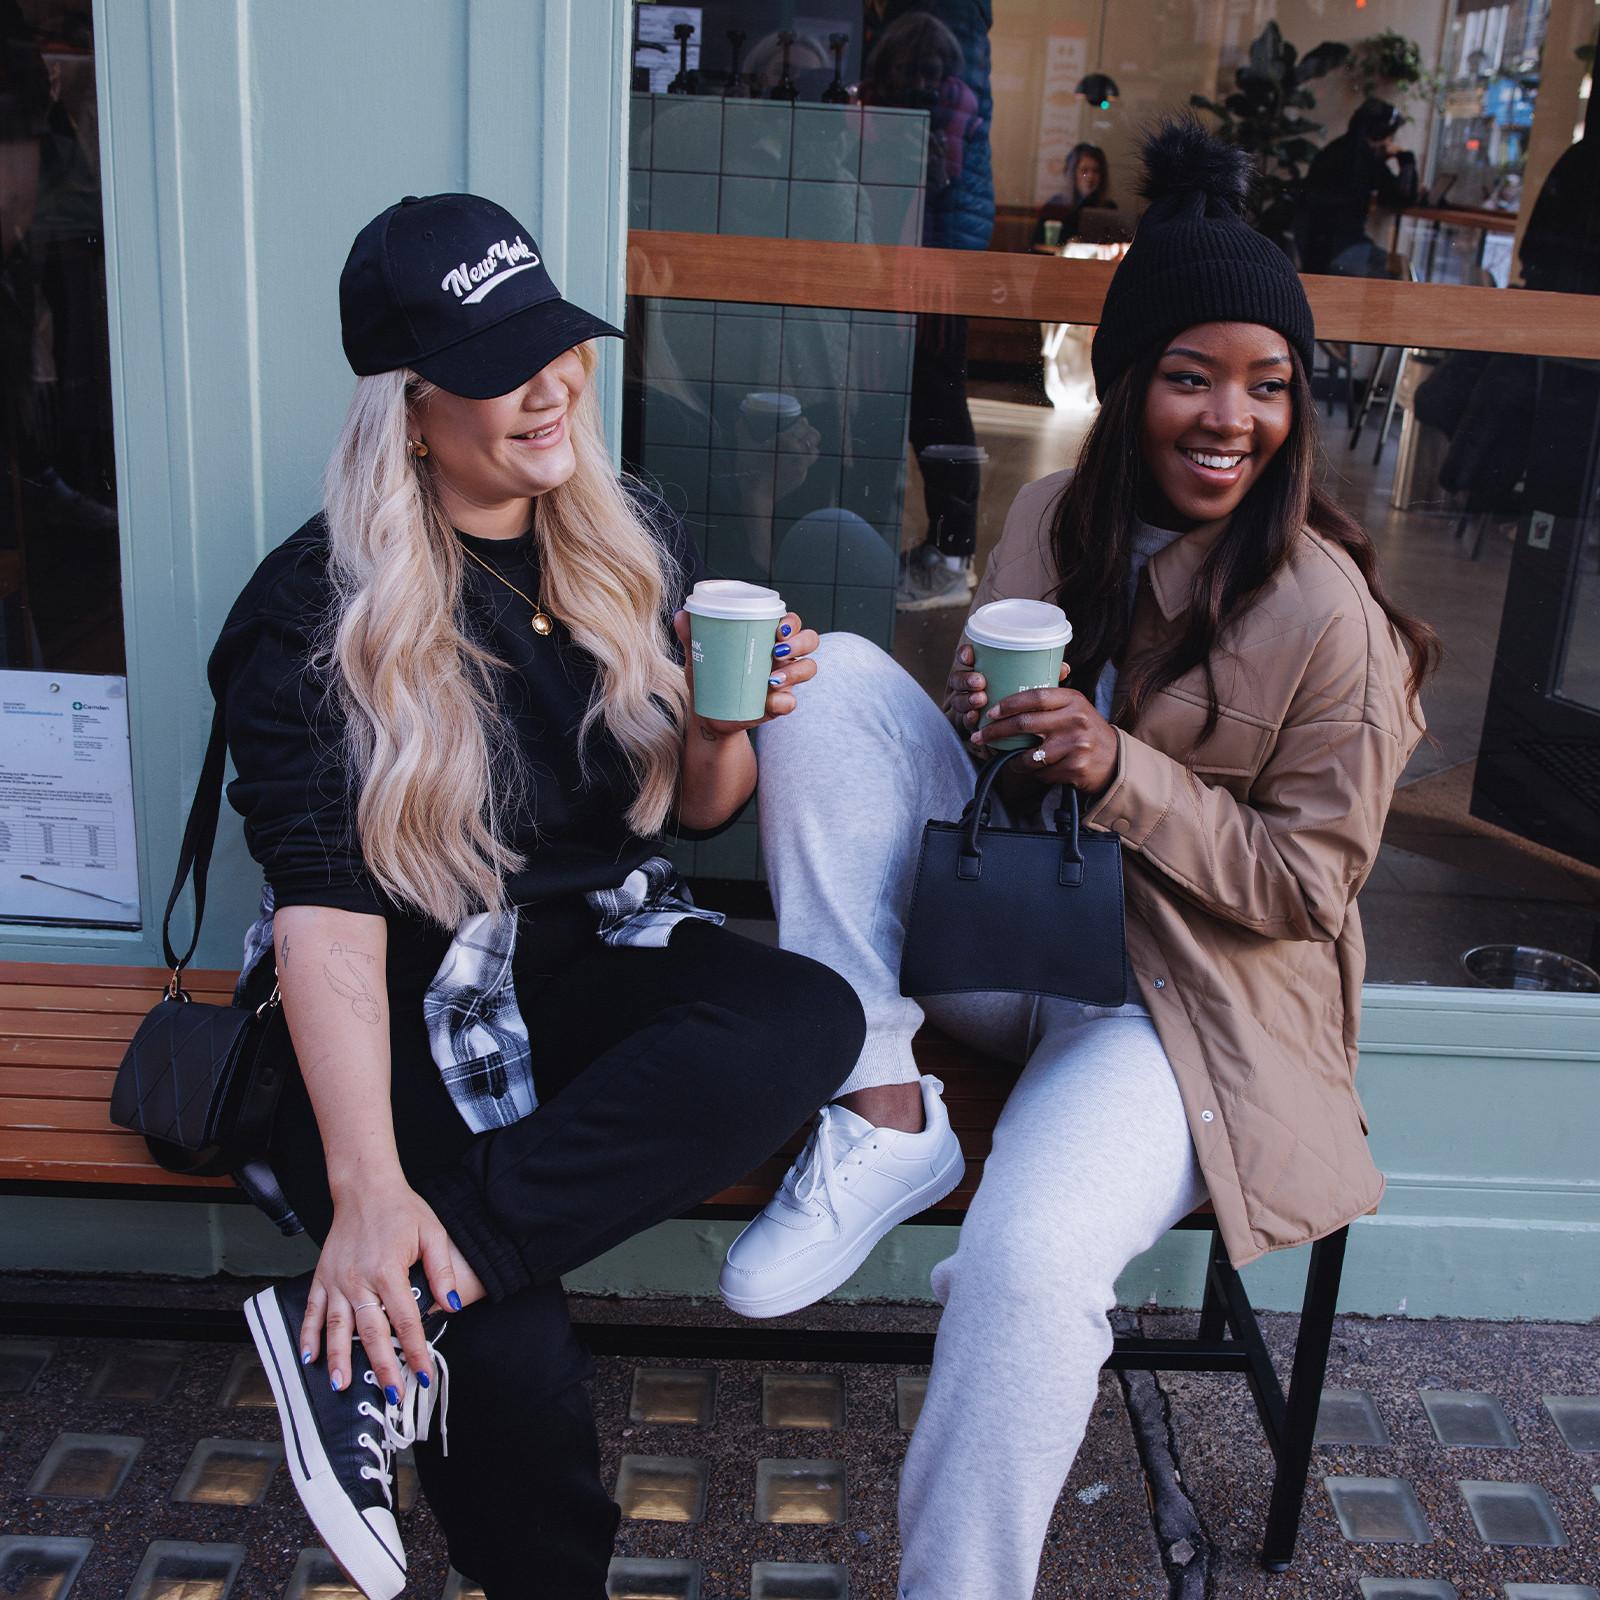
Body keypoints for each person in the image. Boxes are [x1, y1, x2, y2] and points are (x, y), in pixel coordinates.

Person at [722, 121, 1440, 1597]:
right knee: (837, 674)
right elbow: (979, 770)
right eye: (1190, 374)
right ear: (1127, 387)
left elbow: (1308, 893)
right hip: (1015, 939)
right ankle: (882, 1095)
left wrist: (1126, 773)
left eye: (1267, 383)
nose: (1229, 416)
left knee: (1027, 1270)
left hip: (1174, 1007)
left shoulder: (1330, 623)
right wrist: (983, 728)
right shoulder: (1054, 513)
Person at [208, 193, 863, 1600]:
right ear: (413, 404)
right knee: (515, 1373)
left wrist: (726, 718)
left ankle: (421, 1299)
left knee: (805, 1021)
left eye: (557, 340)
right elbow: (324, 916)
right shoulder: (311, 618)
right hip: (404, 990)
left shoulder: (624, 539)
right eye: (506, 360)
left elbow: (692, 814)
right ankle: (434, 1321)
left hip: (587, 951)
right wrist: (368, 1190)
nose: (555, 380)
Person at [861, 1, 997, 610]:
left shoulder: (938, 98)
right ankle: (945, 554)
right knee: (927, 411)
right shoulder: (953, 76)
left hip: (931, 274)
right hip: (929, 268)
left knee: (937, 413)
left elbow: (935, 182)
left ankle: (949, 557)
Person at [1298, 96, 1418, 276]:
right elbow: (1402, 196)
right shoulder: (1366, 159)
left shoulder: (1336, 149)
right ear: (1380, 134)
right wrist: (1405, 157)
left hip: (1314, 251)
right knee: (1400, 275)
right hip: (1343, 250)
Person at [1033, 141, 1115, 244]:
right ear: (1072, 174)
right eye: (1084, 171)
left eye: (1095, 171)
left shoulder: (1108, 208)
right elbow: (1038, 247)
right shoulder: (1055, 206)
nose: (1090, 177)